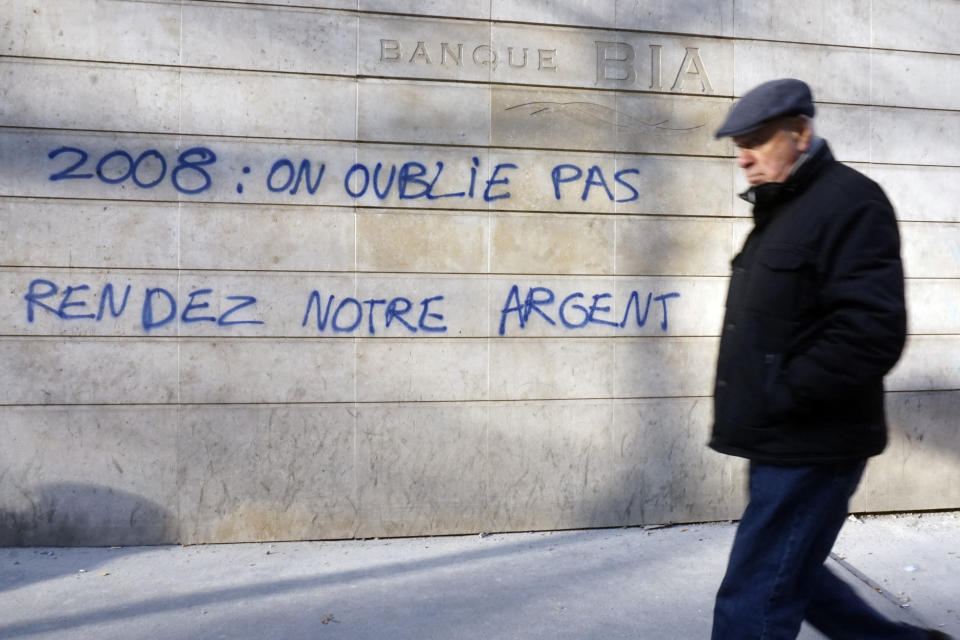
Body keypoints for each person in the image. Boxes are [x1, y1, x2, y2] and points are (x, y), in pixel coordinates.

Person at [709, 78, 951, 640]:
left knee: (756, 593)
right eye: (737, 144)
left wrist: (784, 392)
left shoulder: (850, 202)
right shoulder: (786, 206)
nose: (742, 157)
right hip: (780, 437)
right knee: (793, 573)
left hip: (813, 441)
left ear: (800, 133)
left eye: (756, 140)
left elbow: (872, 331)